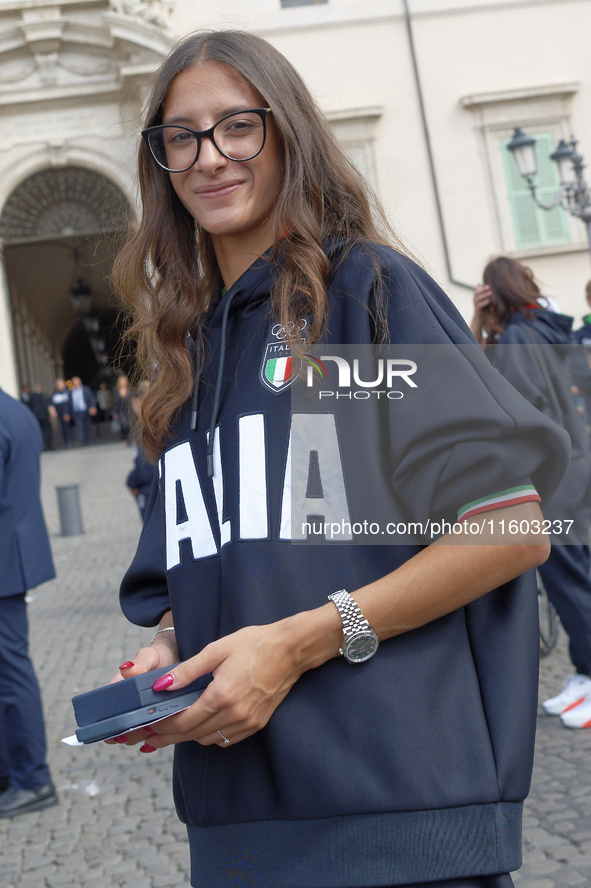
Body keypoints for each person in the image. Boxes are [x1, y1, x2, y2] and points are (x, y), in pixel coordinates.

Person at [108, 30, 570, 888]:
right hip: (239, 832)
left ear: (289, 135)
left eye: (237, 126)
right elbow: (213, 578)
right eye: (182, 136)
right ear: (161, 164)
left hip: (396, 820)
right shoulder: (187, 362)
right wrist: (171, 654)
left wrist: (303, 642)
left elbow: (510, 530)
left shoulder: (366, 293)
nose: (210, 157)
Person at [471, 257, 591, 729]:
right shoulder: (550, 327)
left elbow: (511, 402)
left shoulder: (519, 337)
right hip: (579, 461)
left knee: (569, 581)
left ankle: (587, 675)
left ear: (494, 292)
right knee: (579, 573)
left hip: (555, 473)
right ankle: (584, 674)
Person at [0, 388, 58, 817]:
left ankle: (32, 779)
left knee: (10, 671)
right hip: (12, 554)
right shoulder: (13, 409)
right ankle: (13, 772)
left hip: (5, 560)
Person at [125, 381, 157, 521]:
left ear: (138, 402)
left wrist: (131, 482)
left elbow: (145, 465)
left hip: (149, 490)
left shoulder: (145, 428)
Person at [70, 376, 97, 445]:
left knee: (87, 425)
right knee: (79, 426)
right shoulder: (70, 392)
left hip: (86, 410)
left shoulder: (86, 389)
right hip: (76, 412)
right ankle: (80, 440)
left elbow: (92, 399)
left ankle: (87, 440)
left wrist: (93, 407)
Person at [50, 377, 73, 448]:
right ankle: (67, 440)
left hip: (68, 413)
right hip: (60, 414)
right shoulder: (55, 393)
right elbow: (51, 403)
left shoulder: (68, 392)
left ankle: (70, 440)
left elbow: (69, 404)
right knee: (64, 428)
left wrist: (67, 413)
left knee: (68, 427)